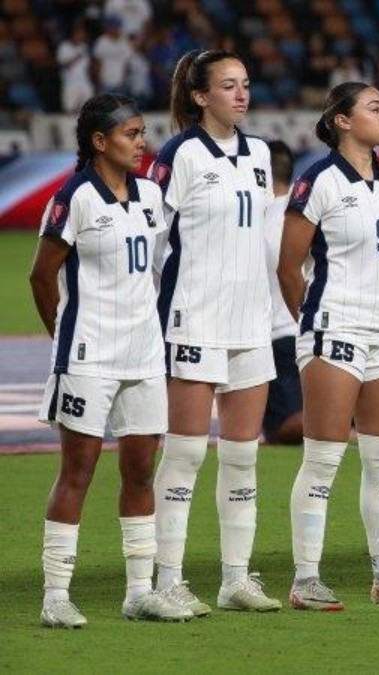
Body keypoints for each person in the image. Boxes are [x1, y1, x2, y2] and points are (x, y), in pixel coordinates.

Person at [30, 94, 191, 627]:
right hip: (89, 355)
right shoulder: (74, 197)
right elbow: (41, 276)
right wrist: (66, 339)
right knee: (78, 471)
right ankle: (56, 596)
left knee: (141, 470)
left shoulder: (150, 195)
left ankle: (139, 592)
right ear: (100, 142)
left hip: (144, 355)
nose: (142, 142)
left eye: (143, 132)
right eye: (131, 134)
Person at [278, 82, 379, 610]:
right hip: (335, 328)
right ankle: (305, 579)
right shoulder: (317, 180)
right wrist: (314, 326)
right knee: (324, 459)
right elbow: (288, 268)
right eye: (374, 108)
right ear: (342, 120)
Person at [149, 49, 281, 614]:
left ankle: (235, 579)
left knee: (243, 456)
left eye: (245, 83)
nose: (241, 93)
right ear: (200, 96)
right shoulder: (179, 155)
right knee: (184, 455)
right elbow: (152, 241)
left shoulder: (260, 153)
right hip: (195, 319)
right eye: (228, 85)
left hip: (251, 321)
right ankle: (167, 579)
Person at [262, 139, 303, 445]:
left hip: (278, 333)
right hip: (311, 331)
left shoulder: (255, 221)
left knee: (280, 430)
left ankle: (343, 413)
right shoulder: (307, 214)